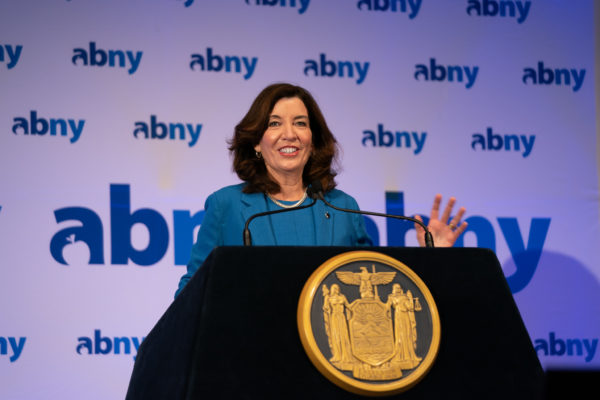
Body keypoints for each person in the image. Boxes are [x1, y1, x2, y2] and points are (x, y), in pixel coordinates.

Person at [175, 83, 467, 297]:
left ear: (312, 141)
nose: (289, 134)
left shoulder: (343, 208)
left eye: (300, 123)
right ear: (255, 142)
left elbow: (374, 288)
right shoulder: (227, 205)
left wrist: (434, 257)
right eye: (274, 123)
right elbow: (191, 291)